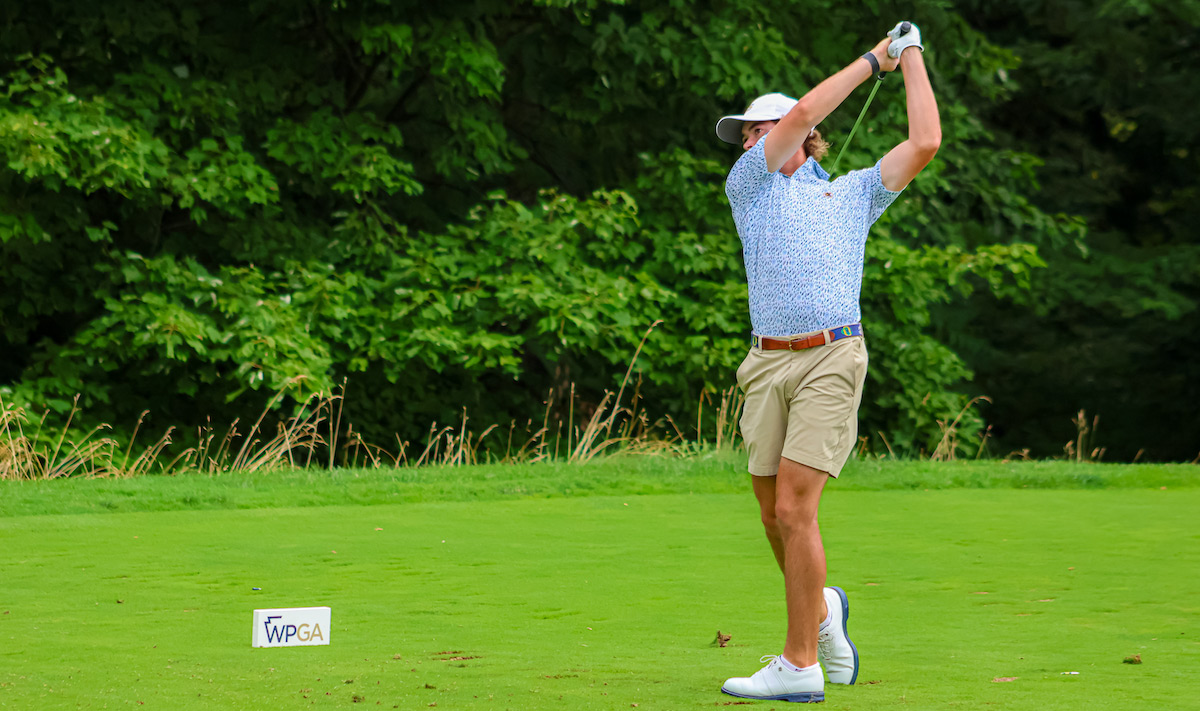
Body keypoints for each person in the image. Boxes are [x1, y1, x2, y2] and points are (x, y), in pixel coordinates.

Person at [713, 22, 941, 703]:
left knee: (795, 504)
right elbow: (808, 109)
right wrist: (875, 59)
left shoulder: (853, 192)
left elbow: (924, 142)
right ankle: (824, 613)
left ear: (800, 137)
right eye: (749, 135)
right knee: (770, 512)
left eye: (760, 130)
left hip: (833, 356)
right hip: (765, 364)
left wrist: (909, 58)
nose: (751, 142)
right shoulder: (748, 189)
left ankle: (800, 662)